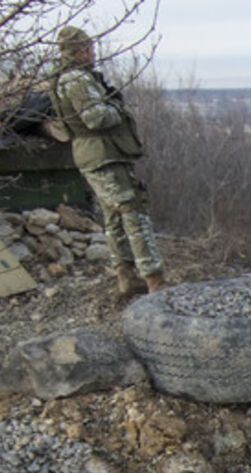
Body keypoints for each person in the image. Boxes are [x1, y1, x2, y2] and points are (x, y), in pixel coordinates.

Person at [49, 26, 165, 296]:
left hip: (98, 154)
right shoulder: (77, 79)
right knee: (133, 212)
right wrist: (118, 109)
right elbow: (96, 118)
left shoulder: (69, 78)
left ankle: (127, 278)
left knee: (114, 216)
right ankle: (155, 281)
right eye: (88, 48)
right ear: (78, 51)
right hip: (102, 154)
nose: (92, 53)